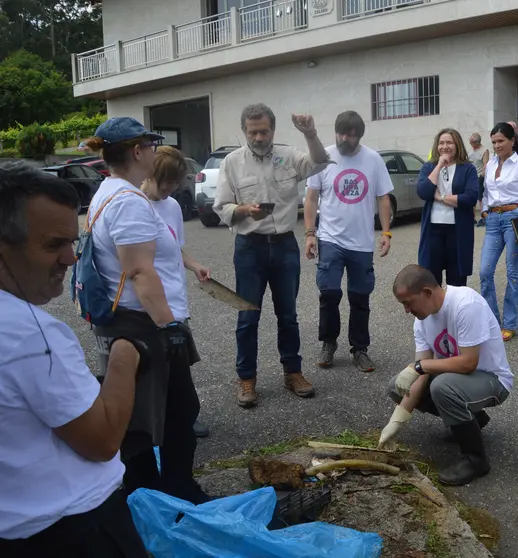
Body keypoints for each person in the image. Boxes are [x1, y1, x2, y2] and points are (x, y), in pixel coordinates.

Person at [0, 163, 147, 556]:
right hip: (72, 530)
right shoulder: (29, 334)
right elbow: (101, 440)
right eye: (53, 245)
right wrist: (123, 354)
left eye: (72, 241)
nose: (69, 258)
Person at [83, 117, 209, 505]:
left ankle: (150, 490)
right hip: (141, 324)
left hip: (124, 321)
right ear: (137, 151)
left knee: (145, 411)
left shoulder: (107, 192)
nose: (156, 151)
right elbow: (139, 270)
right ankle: (169, 490)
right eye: (152, 145)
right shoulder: (128, 203)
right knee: (174, 411)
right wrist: (168, 325)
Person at [214, 104, 329, 405]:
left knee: (288, 315)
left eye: (264, 131)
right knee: (247, 316)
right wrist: (242, 210)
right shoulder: (232, 162)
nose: (259, 137)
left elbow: (319, 162)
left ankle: (293, 373)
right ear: (244, 131)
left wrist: (310, 134)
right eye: (253, 132)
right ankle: (247, 379)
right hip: (249, 248)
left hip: (284, 245)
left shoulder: (289, 155)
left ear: (273, 130)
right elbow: (221, 207)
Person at [380, 265, 513, 486]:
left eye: (408, 303)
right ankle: (472, 419)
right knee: (397, 386)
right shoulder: (422, 320)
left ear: (427, 292)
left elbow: (468, 363)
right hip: (458, 381)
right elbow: (420, 374)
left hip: (492, 380)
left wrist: (419, 367)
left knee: (442, 387)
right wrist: (397, 420)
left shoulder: (465, 304)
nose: (406, 310)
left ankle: (476, 460)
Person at [303, 111, 392, 372]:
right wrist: (310, 234)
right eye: (341, 132)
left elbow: (383, 199)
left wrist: (386, 233)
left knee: (360, 296)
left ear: (359, 135)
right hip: (330, 238)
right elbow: (311, 198)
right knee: (329, 292)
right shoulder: (323, 158)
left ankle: (360, 349)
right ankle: (328, 343)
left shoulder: (373, 159)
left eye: (350, 134)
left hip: (362, 243)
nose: (344, 138)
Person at [140, 146, 213, 438]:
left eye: (176, 182)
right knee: (155, 364)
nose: (171, 188)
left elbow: (175, 247)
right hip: (150, 299)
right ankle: (161, 420)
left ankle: (185, 415)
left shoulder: (171, 206)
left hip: (175, 296)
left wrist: (195, 266)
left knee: (179, 359)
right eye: (166, 181)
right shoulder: (134, 205)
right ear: (150, 174)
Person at [479, 122, 518, 342]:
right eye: (494, 141)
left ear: (512, 141)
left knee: (512, 271)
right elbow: (486, 192)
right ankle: (492, 322)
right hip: (493, 221)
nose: (496, 145)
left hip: (515, 218)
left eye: (501, 141)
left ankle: (510, 323)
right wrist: (485, 211)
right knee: (485, 273)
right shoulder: (489, 165)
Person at [416, 128, 480, 288]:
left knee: (456, 280)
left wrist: (441, 198)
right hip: (433, 231)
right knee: (431, 279)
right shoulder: (429, 167)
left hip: (457, 231)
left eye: (449, 142)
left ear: (457, 144)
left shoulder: (468, 168)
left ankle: (456, 312)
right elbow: (423, 192)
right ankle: (435, 312)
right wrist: (438, 166)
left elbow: (470, 197)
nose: (445, 146)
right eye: (441, 143)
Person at [467, 133, 489, 226]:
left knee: (480, 198)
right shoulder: (471, 150)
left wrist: (482, 176)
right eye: (470, 142)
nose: (470, 144)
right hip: (471, 177)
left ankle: (483, 218)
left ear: (477, 142)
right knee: (471, 198)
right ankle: (472, 218)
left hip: (480, 176)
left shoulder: (484, 151)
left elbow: (485, 165)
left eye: (472, 142)